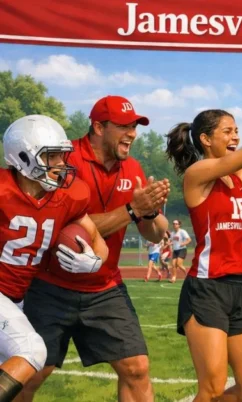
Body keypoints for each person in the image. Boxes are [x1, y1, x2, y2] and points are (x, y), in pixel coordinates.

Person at [22, 97, 170, 402]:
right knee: (31, 374)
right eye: (123, 126)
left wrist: (151, 211)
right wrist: (131, 210)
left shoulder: (134, 168)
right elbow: (64, 229)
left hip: (105, 286)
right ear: (98, 126)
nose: (131, 133)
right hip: (50, 285)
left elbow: (154, 235)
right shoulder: (62, 159)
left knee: (137, 368)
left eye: (134, 126)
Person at [165, 64, 242, 401]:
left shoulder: (238, 176)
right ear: (205, 139)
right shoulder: (198, 173)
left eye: (237, 130)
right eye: (228, 131)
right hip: (208, 289)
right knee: (211, 388)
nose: (236, 137)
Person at [0, 115, 109, 401]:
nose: (61, 164)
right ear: (22, 157)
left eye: (62, 156)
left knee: (9, 376)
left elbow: (97, 240)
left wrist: (94, 261)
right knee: (31, 350)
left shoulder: (69, 196)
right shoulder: (2, 189)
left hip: (15, 298)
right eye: (51, 156)